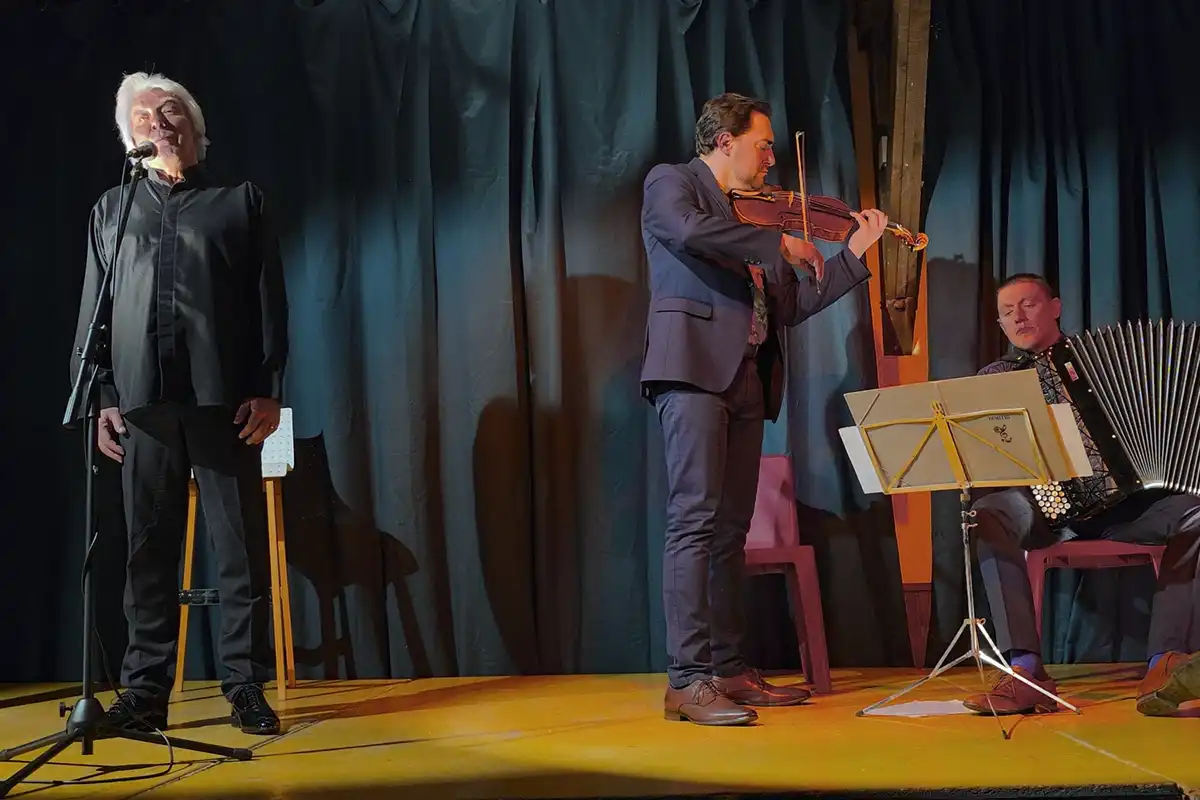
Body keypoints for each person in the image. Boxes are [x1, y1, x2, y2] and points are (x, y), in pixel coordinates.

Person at [639, 92, 888, 726]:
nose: (773, 158)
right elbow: (690, 233)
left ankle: (726, 668)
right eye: (764, 143)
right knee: (694, 521)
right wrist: (776, 240)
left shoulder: (759, 222)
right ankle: (686, 679)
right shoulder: (674, 183)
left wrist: (850, 259)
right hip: (693, 368)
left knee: (728, 532)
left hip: (749, 377)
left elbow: (789, 310)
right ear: (725, 142)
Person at [69, 72, 288, 735]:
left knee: (237, 549)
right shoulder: (113, 209)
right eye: (143, 117)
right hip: (143, 405)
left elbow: (267, 304)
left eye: (170, 112)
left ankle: (244, 686)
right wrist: (103, 396)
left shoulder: (238, 202)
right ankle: (144, 694)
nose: (158, 122)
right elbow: (94, 311)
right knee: (147, 550)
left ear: (195, 128)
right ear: (129, 138)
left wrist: (269, 391)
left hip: (224, 401)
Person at [963, 273, 1200, 716]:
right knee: (985, 513)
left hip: (1124, 507)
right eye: (1008, 311)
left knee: (1195, 512)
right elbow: (986, 461)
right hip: (1039, 509)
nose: (1019, 316)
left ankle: (1165, 664)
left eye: (1029, 304)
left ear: (1055, 307)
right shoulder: (995, 377)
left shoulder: (1106, 363)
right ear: (999, 325)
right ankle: (1025, 671)